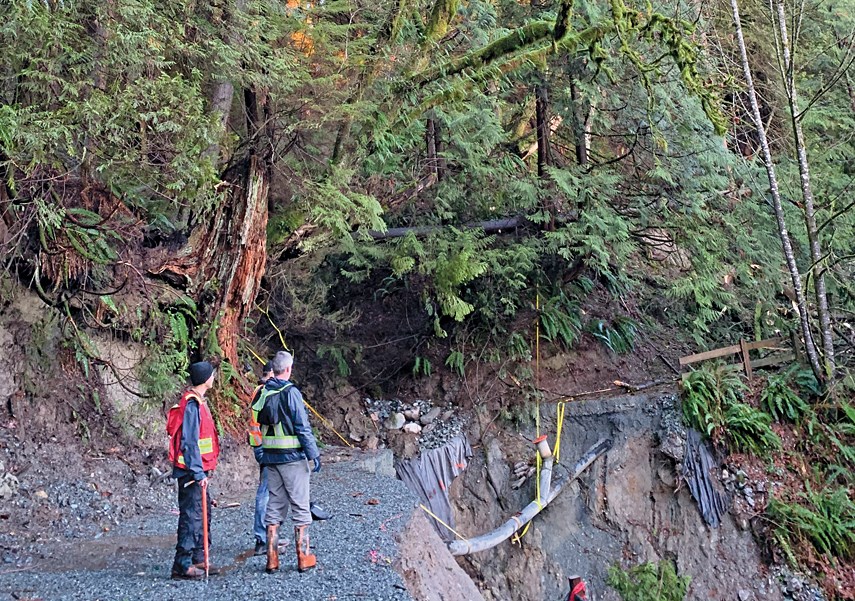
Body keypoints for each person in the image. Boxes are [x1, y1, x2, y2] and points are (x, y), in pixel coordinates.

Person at [249, 360, 332, 556]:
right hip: (292, 458)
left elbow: (254, 423)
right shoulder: (290, 392)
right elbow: (302, 426)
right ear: (288, 369)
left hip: (270, 457)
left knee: (274, 506)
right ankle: (303, 557)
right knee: (300, 506)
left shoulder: (261, 392)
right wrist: (314, 453)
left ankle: (272, 558)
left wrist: (259, 449)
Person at [168, 361, 220, 580]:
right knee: (191, 517)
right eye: (212, 375)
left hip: (197, 470)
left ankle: (199, 556)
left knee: (202, 514)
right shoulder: (191, 405)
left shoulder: (197, 402)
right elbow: (190, 442)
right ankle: (182, 565)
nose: (214, 378)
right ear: (206, 379)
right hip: (191, 472)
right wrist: (198, 473)